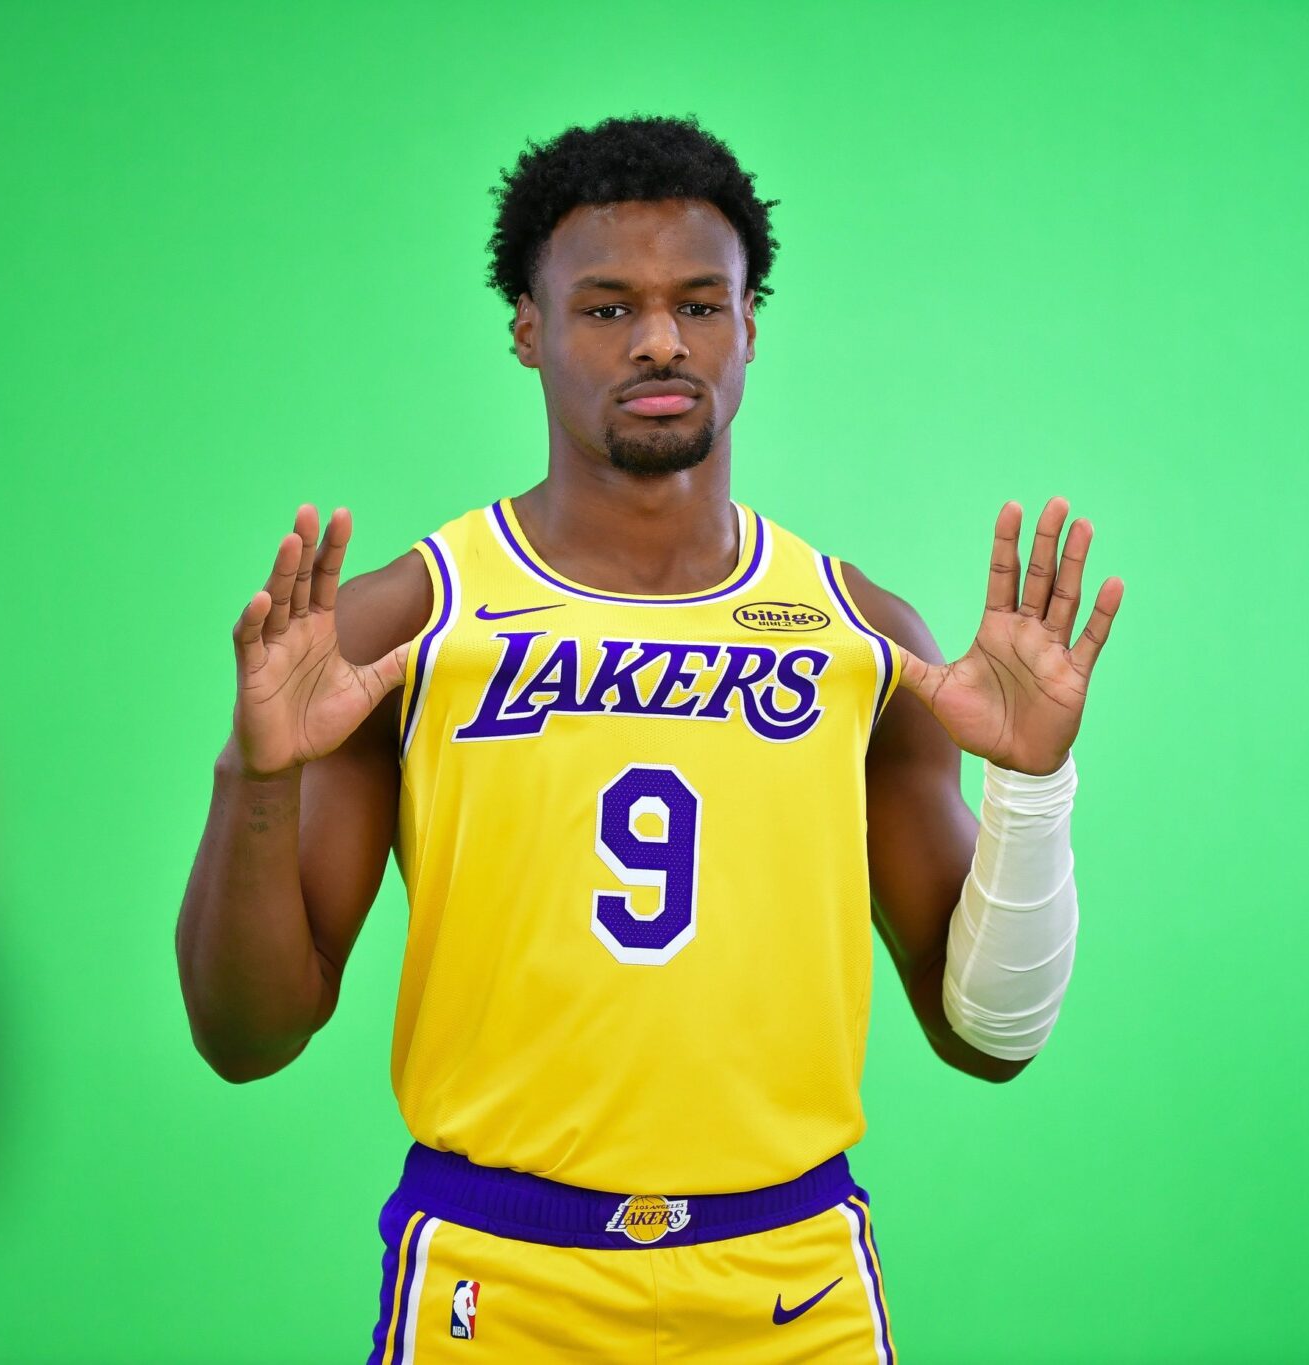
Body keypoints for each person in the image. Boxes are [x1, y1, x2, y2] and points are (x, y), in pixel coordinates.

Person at [175, 114, 1124, 1362]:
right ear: (527, 327)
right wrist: (256, 775)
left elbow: (987, 1039)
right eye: (607, 308)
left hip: (793, 1286)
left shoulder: (861, 636)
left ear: (747, 326)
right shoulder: (407, 624)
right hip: (498, 1276)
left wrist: (1031, 785)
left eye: (699, 304)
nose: (661, 340)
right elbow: (247, 1037)